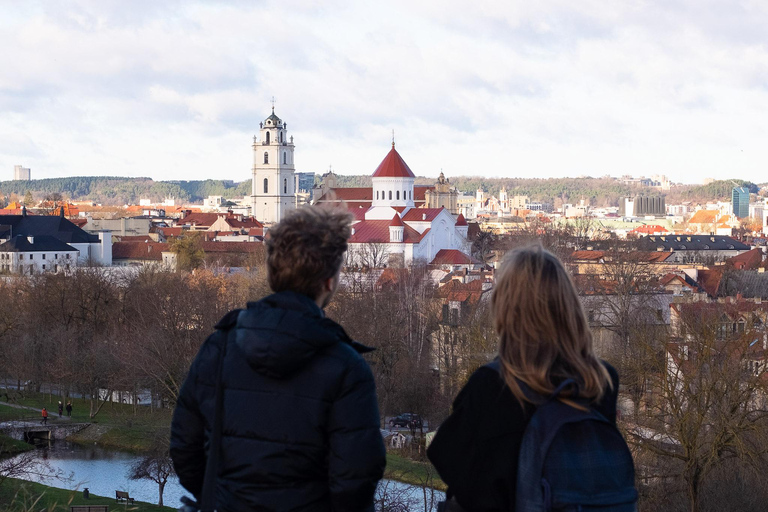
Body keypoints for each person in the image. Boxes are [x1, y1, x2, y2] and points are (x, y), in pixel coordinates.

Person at [171, 207, 386, 512]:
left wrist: (221, 497)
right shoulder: (346, 366)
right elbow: (357, 475)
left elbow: (184, 447)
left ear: (273, 274)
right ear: (328, 281)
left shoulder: (219, 347)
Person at [427, 245, 620, 512]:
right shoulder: (602, 381)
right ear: (569, 305)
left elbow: (445, 455)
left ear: (507, 308)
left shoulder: (492, 385)